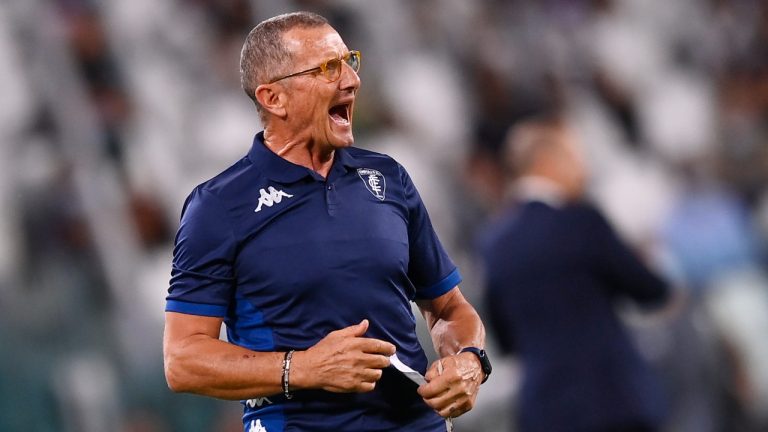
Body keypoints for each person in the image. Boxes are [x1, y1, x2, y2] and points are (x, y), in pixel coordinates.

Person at [163, 11, 489, 432]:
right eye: (327, 69)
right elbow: (183, 360)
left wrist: (468, 360)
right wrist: (303, 367)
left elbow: (448, 307)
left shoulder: (388, 179)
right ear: (273, 98)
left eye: (349, 62)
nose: (351, 81)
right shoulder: (219, 207)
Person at [480, 117, 670, 432]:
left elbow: (504, 336)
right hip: (612, 401)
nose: (583, 170)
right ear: (547, 162)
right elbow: (650, 290)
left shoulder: (493, 243)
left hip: (545, 413)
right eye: (574, 157)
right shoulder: (581, 222)